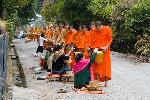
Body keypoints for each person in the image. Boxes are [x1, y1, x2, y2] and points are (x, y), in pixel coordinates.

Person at [91, 21, 113, 87]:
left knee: (106, 66)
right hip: (97, 50)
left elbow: (110, 39)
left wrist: (106, 47)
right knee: (97, 65)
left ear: (100, 26)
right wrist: (94, 48)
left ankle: (106, 83)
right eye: (96, 29)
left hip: (105, 51)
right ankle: (97, 81)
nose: (98, 30)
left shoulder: (107, 29)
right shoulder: (94, 31)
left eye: (98, 28)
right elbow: (93, 41)